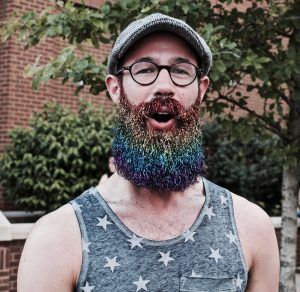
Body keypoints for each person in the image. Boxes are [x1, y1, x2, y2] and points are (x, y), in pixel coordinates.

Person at [18, 13, 279, 291]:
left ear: (201, 90)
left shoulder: (251, 227)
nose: (164, 86)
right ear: (115, 88)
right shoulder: (57, 240)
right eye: (144, 69)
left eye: (181, 70)